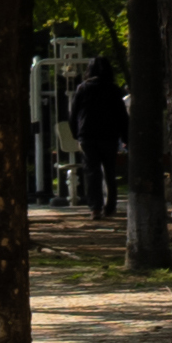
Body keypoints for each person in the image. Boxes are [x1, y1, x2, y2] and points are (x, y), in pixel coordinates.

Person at [69, 56, 129, 220]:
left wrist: (76, 133)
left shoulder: (83, 88)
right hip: (109, 135)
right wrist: (125, 136)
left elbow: (74, 114)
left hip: (87, 134)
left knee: (92, 171)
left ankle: (95, 208)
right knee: (110, 170)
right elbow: (122, 116)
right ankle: (110, 206)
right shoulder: (113, 89)